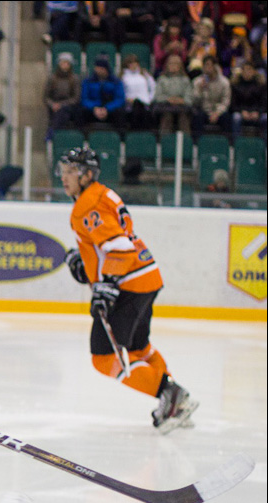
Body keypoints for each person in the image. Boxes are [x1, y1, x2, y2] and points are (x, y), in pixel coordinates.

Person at [57, 146, 197, 432]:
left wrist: (107, 285)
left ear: (87, 175)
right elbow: (113, 243)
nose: (64, 177)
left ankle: (170, 396)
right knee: (138, 348)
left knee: (104, 357)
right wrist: (87, 265)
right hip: (145, 277)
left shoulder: (88, 204)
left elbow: (119, 248)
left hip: (128, 284)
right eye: (63, 170)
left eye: (71, 171)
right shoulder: (100, 194)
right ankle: (175, 402)